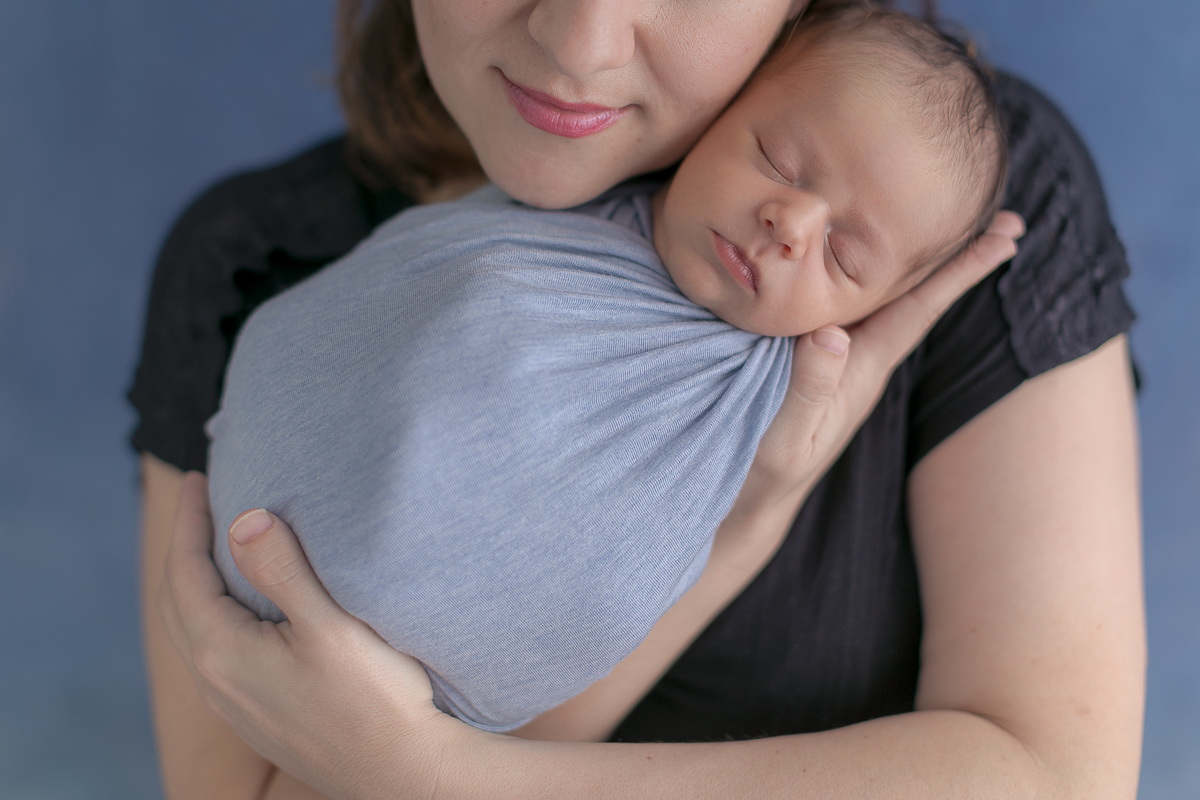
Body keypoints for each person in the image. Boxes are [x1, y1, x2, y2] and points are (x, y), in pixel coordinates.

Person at [135, 0, 1144, 798]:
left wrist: (436, 775)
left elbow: (1052, 776)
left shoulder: (959, 203)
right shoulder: (252, 262)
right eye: (779, 163)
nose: (579, 40)